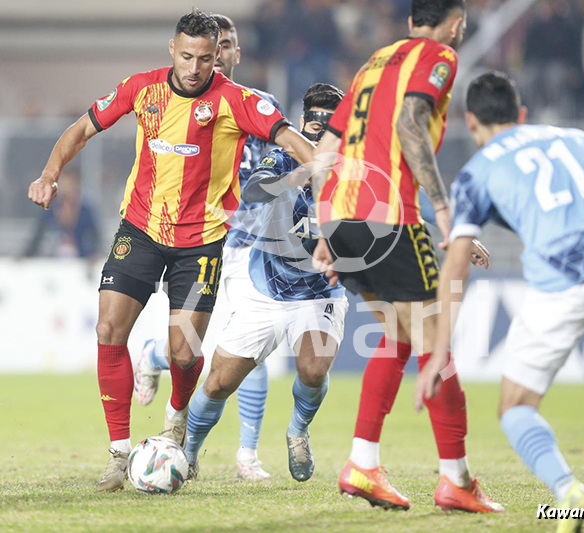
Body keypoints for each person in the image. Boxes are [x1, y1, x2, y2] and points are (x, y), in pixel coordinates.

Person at [27, 9, 315, 493]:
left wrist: (333, 176)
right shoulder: (142, 88)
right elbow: (81, 128)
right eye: (187, 56)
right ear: (171, 49)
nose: (196, 67)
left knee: (184, 354)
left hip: (200, 243)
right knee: (107, 328)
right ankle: (120, 454)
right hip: (139, 229)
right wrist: (49, 174)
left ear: (218, 55)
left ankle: (176, 420)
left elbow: (292, 139)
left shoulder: (236, 101)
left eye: (206, 58)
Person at [416, 71, 584, 533]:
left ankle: (568, 491)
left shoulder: (475, 173)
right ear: (520, 114)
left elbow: (456, 265)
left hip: (560, 284)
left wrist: (438, 351)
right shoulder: (575, 138)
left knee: (516, 406)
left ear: (470, 120)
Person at [310, 0, 501, 512]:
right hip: (389, 218)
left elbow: (326, 149)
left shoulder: (375, 60)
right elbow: (412, 124)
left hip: (345, 217)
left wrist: (325, 228)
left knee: (395, 337)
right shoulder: (438, 55)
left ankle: (363, 463)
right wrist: (445, 213)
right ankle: (456, 480)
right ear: (456, 21)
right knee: (435, 344)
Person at [132, 13, 284, 481]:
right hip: (208, 239)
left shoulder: (261, 105)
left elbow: (282, 167)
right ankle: (154, 355)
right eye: (212, 48)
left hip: (254, 246)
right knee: (193, 349)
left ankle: (246, 456)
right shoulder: (187, 104)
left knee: (248, 348)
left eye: (228, 46)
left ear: (234, 53)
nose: (218, 55)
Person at [182, 83, 347, 483]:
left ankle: (297, 431)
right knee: (220, 383)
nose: (319, 124)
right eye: (314, 115)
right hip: (265, 288)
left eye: (329, 118)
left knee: (313, 369)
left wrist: (454, 226)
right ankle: (187, 453)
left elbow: (405, 195)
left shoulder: (355, 162)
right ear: (303, 118)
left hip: (319, 290)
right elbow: (253, 190)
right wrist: (304, 172)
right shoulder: (284, 155)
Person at [23, 170, 100, 259]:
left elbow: (95, 235)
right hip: (54, 258)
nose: (66, 186)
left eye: (70, 182)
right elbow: (38, 235)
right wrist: (25, 255)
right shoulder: (50, 208)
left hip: (80, 258)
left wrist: (94, 253)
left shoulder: (85, 209)